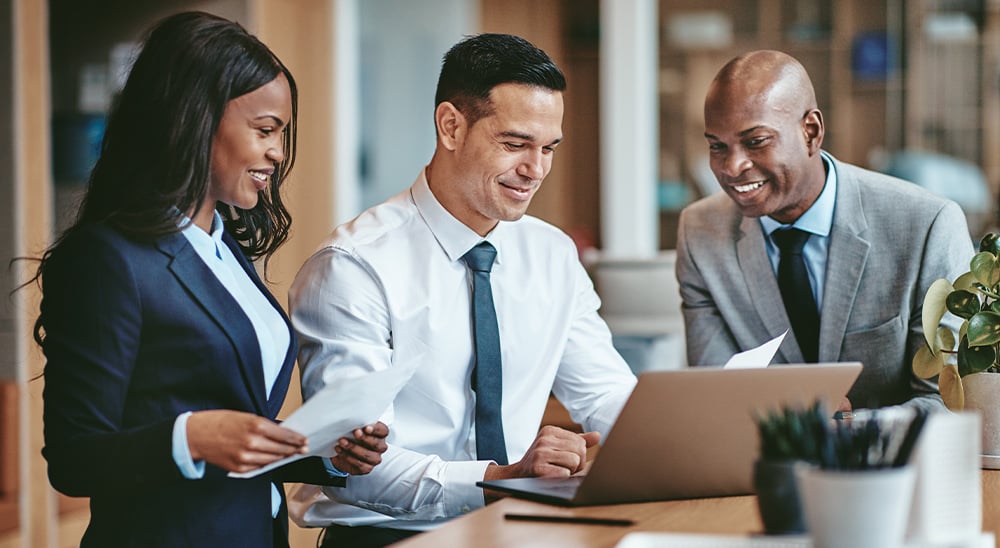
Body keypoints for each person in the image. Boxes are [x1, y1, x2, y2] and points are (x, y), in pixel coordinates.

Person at [33, 11, 388, 547]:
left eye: (282, 134)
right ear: (195, 119)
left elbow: (235, 434)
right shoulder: (110, 259)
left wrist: (322, 454)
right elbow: (74, 457)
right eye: (265, 130)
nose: (277, 152)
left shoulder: (223, 248)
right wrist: (191, 436)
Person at [286, 33, 637, 546]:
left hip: (519, 531)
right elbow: (358, 470)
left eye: (548, 149)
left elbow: (604, 392)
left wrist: (676, 439)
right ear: (451, 126)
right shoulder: (354, 267)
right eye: (514, 144)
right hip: (390, 539)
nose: (534, 170)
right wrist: (500, 480)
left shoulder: (553, 254)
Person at [676, 50, 974, 412]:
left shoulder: (927, 225)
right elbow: (716, 394)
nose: (732, 166)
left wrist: (849, 431)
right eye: (717, 146)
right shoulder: (700, 232)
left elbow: (946, 402)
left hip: (893, 464)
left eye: (756, 141)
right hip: (761, 464)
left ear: (811, 132)